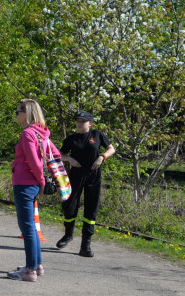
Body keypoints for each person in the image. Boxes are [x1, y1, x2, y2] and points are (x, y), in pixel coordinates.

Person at [10, 98, 58, 281]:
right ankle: (37, 265)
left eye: (17, 112)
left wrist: (41, 182)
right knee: (31, 227)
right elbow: (56, 154)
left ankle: (29, 271)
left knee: (27, 227)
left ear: (27, 114)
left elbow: (34, 162)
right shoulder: (42, 133)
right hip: (32, 185)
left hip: (25, 184)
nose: (16, 116)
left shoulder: (28, 134)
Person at [58, 111, 116, 257]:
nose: (79, 123)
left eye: (83, 121)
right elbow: (59, 155)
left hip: (93, 175)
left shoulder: (97, 135)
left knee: (91, 209)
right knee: (70, 206)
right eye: (78, 120)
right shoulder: (71, 138)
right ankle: (68, 235)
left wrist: (102, 157)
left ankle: (85, 246)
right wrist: (69, 159)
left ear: (90, 123)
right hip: (76, 175)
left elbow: (111, 149)